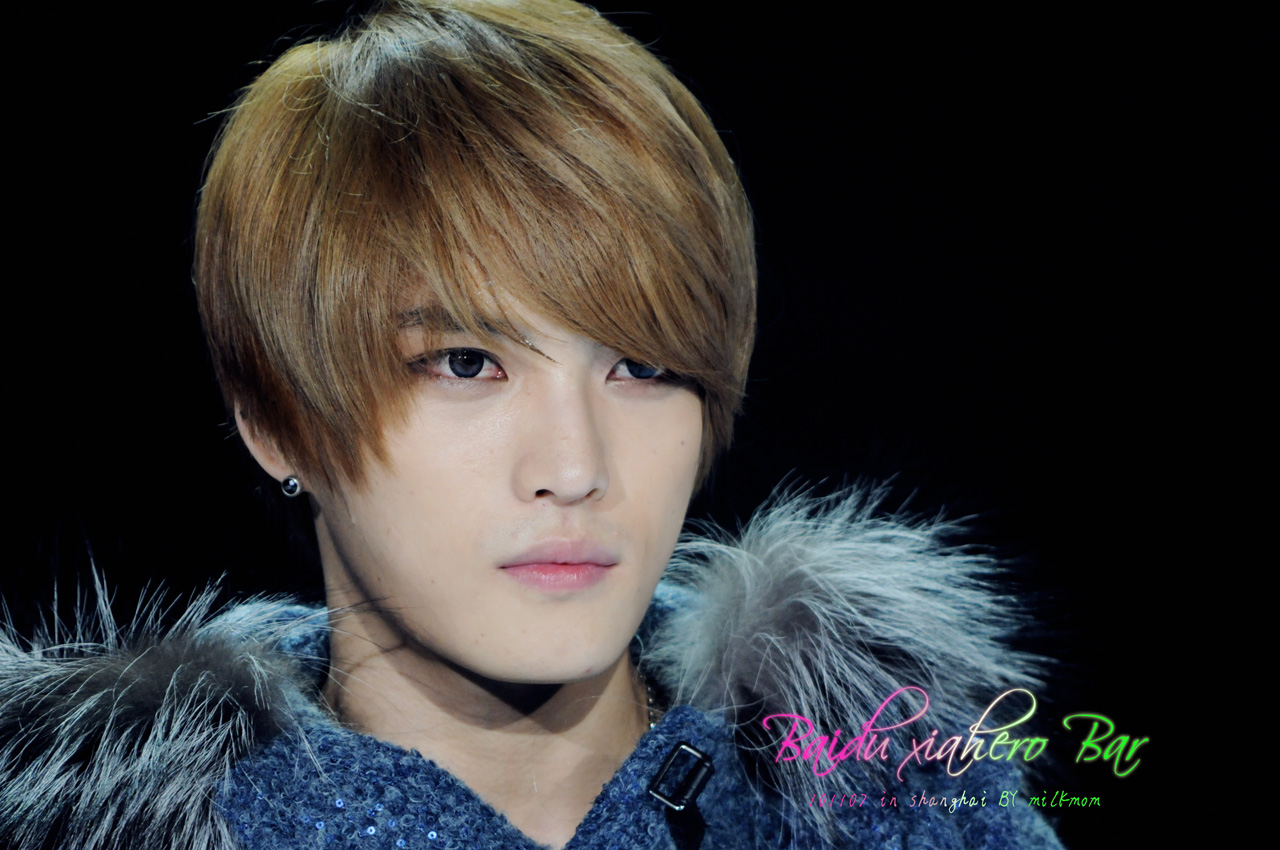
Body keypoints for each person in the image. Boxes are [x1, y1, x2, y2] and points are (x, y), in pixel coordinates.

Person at [1, 2, 1065, 848]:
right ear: (274, 420)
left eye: (641, 366)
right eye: (466, 363)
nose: (574, 465)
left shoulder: (896, 794)